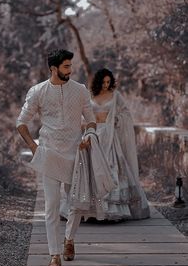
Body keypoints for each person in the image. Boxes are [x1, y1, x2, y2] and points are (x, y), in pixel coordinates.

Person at [16, 49, 96, 266]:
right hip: (49, 154)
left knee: (76, 202)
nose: (70, 70)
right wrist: (34, 148)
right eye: (66, 67)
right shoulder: (38, 91)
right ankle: (54, 255)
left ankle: (69, 239)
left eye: (71, 66)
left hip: (75, 153)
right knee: (50, 206)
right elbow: (21, 122)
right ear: (53, 68)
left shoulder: (80, 91)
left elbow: (90, 121)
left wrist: (88, 136)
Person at [61, 68, 150, 222]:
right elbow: (80, 113)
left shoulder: (116, 96)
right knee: (90, 169)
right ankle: (89, 210)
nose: (106, 85)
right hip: (92, 135)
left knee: (111, 168)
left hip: (110, 136)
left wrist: (115, 120)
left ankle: (111, 210)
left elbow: (126, 114)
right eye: (103, 82)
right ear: (98, 81)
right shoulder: (89, 95)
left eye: (109, 82)